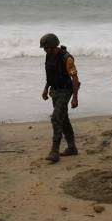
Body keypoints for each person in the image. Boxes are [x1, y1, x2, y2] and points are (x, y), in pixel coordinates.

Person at [40, 33, 80, 163]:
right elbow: (50, 75)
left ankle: (54, 151)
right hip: (55, 91)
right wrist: (46, 89)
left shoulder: (66, 58)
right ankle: (72, 147)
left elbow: (75, 79)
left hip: (65, 90)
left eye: (46, 48)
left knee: (56, 118)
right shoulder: (49, 56)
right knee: (63, 119)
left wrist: (75, 98)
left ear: (53, 46)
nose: (45, 50)